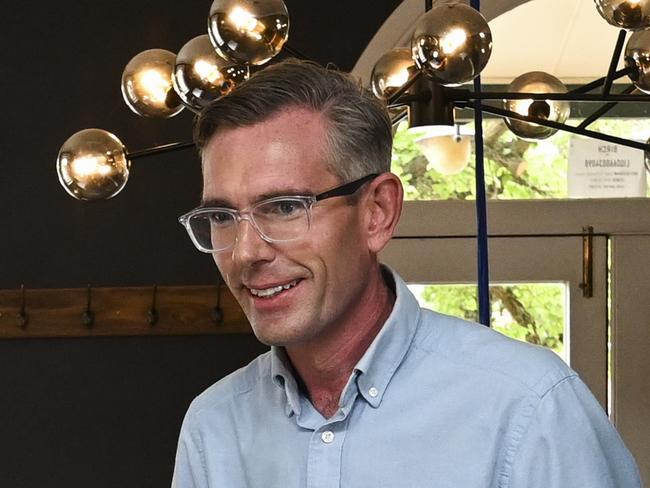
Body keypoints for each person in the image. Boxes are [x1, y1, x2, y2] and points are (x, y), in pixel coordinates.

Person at [172, 59, 641, 487]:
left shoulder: (530, 406)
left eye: (286, 207)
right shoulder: (214, 428)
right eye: (221, 216)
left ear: (377, 212)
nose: (246, 252)